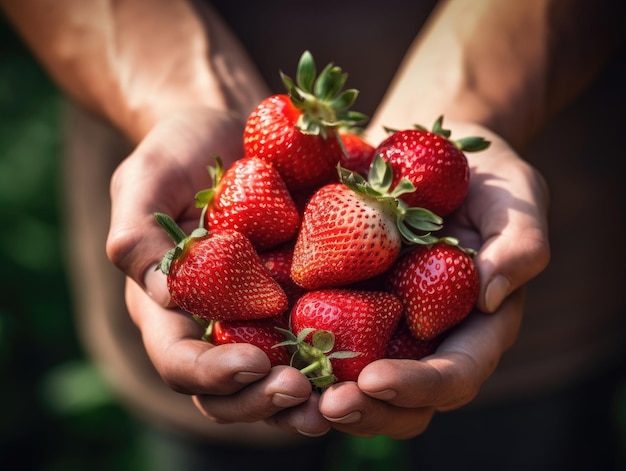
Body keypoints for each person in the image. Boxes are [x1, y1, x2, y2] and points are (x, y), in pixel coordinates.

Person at [2, 0, 624, 469]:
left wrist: (478, 100)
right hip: (150, 113)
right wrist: (176, 98)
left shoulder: (332, 210)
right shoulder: (287, 226)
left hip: (555, 268)